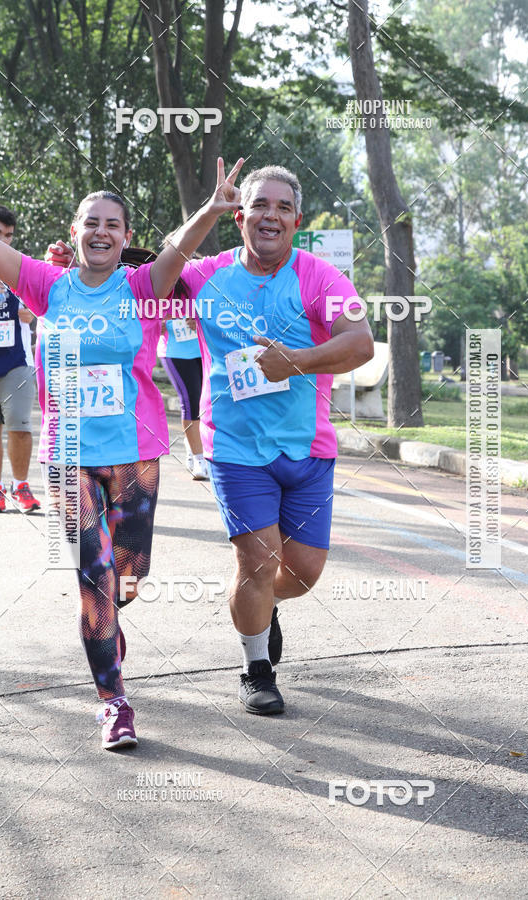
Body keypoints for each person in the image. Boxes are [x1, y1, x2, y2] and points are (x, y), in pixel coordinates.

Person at [0, 157, 244, 749]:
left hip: (136, 455)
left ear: (125, 238)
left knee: (126, 579)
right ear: (74, 234)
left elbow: (178, 247)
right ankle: (114, 701)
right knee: (92, 583)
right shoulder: (45, 285)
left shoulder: (142, 288)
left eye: (112, 225)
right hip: (69, 457)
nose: (101, 232)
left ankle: (111, 623)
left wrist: (212, 207)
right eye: (90, 223)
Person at [172, 165, 374, 715]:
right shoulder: (209, 274)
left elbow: (361, 342)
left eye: (284, 208)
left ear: (296, 221)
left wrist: (298, 362)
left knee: (302, 574)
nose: (272, 216)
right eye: (260, 205)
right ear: (240, 217)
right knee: (257, 565)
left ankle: (259, 606)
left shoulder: (321, 279)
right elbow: (161, 266)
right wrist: (206, 210)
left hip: (308, 449)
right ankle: (255, 666)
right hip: (236, 450)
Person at [0, 205, 41, 513]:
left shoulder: (17, 266)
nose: (2, 240)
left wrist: (28, 313)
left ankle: (22, 486)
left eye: (9, 235)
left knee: (20, 424)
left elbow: (37, 305)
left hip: (16, 362)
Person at [158, 306, 209, 481]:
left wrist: (200, 320)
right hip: (175, 351)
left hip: (204, 350)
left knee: (206, 404)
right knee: (191, 402)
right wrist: (157, 322)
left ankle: (193, 444)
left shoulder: (200, 283)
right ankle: (199, 460)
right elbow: (144, 310)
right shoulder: (163, 282)